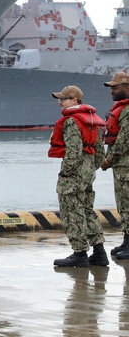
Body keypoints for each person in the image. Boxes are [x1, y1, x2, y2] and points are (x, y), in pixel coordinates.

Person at [49, 85, 107, 267]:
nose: (60, 103)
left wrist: (66, 171)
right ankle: (99, 252)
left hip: (74, 174)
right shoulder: (91, 120)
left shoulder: (71, 121)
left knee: (71, 212)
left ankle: (79, 253)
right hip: (88, 171)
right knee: (87, 210)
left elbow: (73, 151)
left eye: (63, 99)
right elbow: (99, 152)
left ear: (74, 101)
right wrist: (90, 168)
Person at [101, 71, 129, 260]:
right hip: (121, 165)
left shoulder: (127, 110)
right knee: (123, 205)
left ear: (127, 87)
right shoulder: (121, 108)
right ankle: (127, 240)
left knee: (128, 204)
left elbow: (124, 139)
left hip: (125, 164)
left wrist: (109, 159)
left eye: (115, 87)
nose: (112, 90)